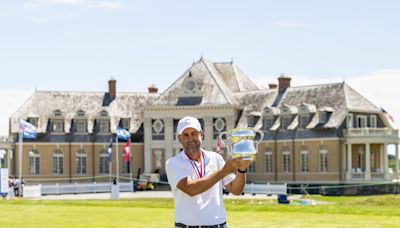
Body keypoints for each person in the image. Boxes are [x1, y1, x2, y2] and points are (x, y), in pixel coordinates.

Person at [166, 116, 252, 228]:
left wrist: (242, 169)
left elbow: (236, 190)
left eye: (194, 133)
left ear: (201, 134)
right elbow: (191, 189)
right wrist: (224, 171)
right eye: (185, 135)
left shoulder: (216, 158)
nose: (190, 138)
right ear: (179, 138)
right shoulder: (173, 163)